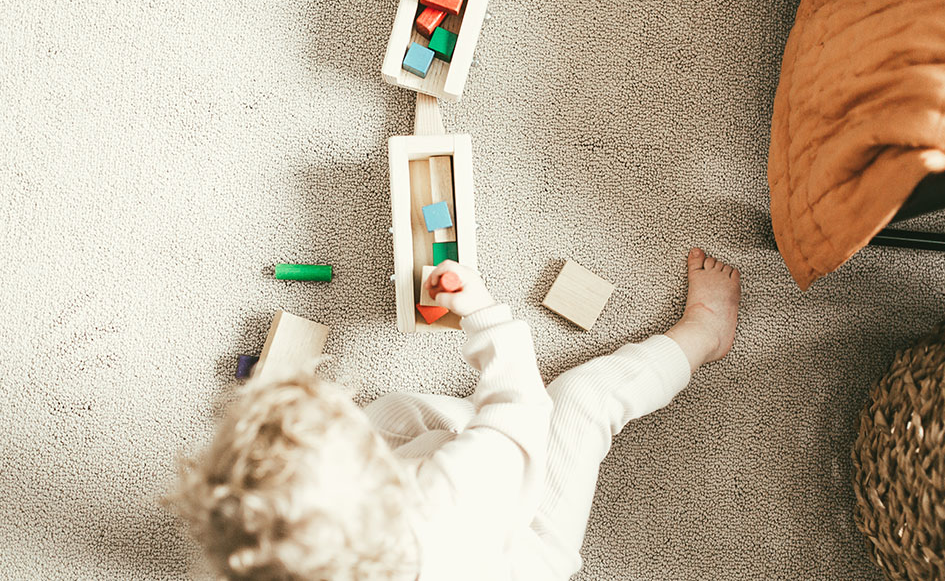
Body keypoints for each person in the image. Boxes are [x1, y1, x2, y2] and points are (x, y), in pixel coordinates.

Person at [171, 248, 740, 580]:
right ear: (383, 489)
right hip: (529, 544)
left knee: (396, 413)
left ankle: (463, 429)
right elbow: (521, 401)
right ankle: (706, 332)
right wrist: (481, 312)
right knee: (578, 400)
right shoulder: (452, 496)